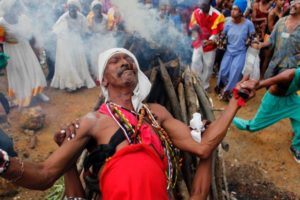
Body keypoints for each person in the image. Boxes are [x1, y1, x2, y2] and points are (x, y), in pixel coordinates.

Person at [0, 48, 256, 200]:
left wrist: (237, 100)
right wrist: (5, 164)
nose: (126, 62)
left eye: (128, 59)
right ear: (103, 81)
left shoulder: (157, 114)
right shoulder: (93, 121)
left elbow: (203, 147)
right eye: (115, 61)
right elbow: (45, 174)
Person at [233, 67, 300, 163]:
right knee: (252, 127)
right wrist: (248, 88)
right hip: (274, 101)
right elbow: (261, 83)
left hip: (291, 98)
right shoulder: (288, 75)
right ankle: (231, 119)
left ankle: (296, 147)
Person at [0, 0, 49, 108]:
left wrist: (37, 47)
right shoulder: (1, 22)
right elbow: (0, 41)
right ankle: (23, 97)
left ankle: (38, 93)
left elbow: (31, 34)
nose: (17, 9)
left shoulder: (23, 18)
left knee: (32, 69)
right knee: (19, 73)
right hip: (12, 50)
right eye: (14, 7)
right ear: (8, 9)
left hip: (25, 47)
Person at [51, 0, 96, 92]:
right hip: (65, 42)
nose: (72, 9)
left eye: (74, 7)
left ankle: (81, 80)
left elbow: (85, 30)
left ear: (77, 8)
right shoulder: (63, 18)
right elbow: (56, 32)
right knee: (69, 61)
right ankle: (70, 84)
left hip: (76, 40)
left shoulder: (81, 17)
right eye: (70, 7)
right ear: (67, 8)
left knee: (78, 59)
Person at [216, 0, 255, 101]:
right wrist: (218, 41)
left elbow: (253, 38)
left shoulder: (248, 24)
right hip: (229, 52)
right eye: (232, 9)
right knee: (223, 72)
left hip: (240, 53)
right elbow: (222, 37)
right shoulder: (228, 22)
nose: (233, 11)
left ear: (241, 12)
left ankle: (228, 93)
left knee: (235, 72)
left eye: (236, 9)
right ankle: (225, 88)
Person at [189, 0, 225, 90]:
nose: (200, 2)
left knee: (208, 66)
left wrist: (210, 41)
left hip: (210, 45)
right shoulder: (196, 12)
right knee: (195, 61)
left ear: (209, 1)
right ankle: (196, 82)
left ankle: (204, 86)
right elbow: (192, 27)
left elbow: (217, 32)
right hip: (198, 42)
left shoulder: (218, 15)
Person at [260, 0, 300, 79]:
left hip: (290, 68)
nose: (293, 4)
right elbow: (271, 40)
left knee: (279, 89)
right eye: (293, 2)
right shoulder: (281, 21)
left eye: (297, 3)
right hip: (274, 64)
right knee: (267, 81)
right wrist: (259, 45)